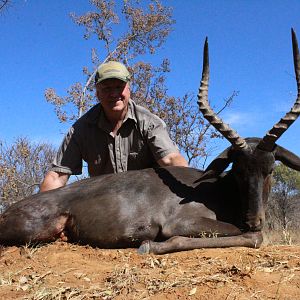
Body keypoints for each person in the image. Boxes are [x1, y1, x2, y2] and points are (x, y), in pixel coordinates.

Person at [40, 61, 188, 192]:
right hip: (106, 205)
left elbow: (171, 160)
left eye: (119, 87)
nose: (114, 93)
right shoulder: (81, 129)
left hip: (147, 201)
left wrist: (191, 186)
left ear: (129, 89)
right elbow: (57, 176)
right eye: (106, 89)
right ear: (97, 93)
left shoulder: (149, 123)